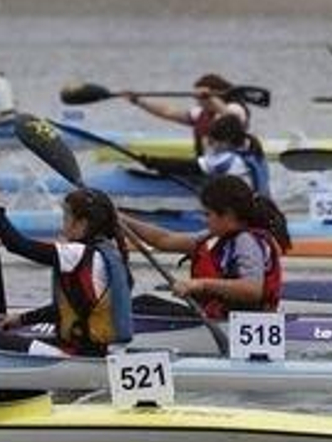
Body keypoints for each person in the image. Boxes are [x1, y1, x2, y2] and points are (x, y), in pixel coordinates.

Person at [0, 183, 134, 356]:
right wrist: (19, 320)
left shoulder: (77, 253)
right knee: (25, 337)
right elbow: (63, 309)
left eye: (65, 218)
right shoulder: (112, 253)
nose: (63, 225)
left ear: (81, 223)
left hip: (81, 353)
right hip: (106, 350)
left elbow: (18, 245)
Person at [118, 175, 291, 315]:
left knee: (138, 307)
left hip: (238, 323)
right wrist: (120, 218)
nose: (205, 219)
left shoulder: (246, 242)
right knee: (143, 301)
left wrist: (199, 285)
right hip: (216, 315)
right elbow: (164, 240)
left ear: (228, 215)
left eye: (208, 214)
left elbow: (252, 290)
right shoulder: (217, 236)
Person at [138, 113, 273, 197]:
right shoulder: (254, 150)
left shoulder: (228, 160)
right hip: (264, 208)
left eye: (214, 142)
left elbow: (188, 166)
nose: (212, 146)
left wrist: (153, 162)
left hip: (246, 216)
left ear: (227, 140)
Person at [124, 73, 250, 155]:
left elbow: (232, 119)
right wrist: (138, 101)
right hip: (207, 166)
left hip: (231, 165)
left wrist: (211, 97)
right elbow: (167, 112)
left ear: (214, 94)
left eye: (200, 98)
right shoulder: (201, 113)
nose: (197, 101)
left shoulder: (235, 108)